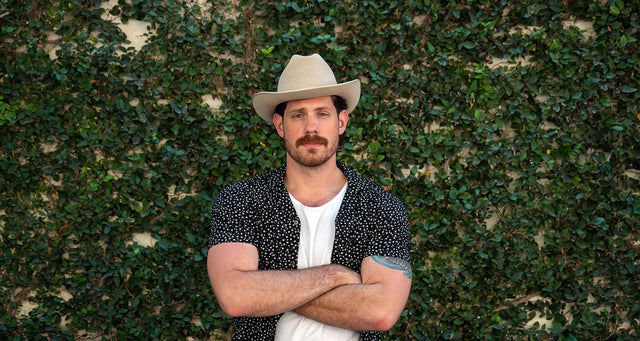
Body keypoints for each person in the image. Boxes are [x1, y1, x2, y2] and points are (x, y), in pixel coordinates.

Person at [206, 53, 412, 341]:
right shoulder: (243, 200)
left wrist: (267, 291)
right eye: (298, 115)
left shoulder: (379, 207)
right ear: (280, 125)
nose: (311, 127)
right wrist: (335, 276)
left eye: (322, 113)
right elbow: (236, 297)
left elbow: (380, 312)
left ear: (341, 122)